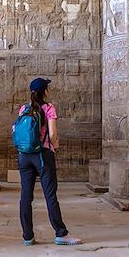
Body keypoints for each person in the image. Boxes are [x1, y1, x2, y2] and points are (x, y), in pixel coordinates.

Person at [16, 78, 82, 246]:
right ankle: (61, 234)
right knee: (50, 195)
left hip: (24, 156)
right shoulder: (49, 108)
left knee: (25, 197)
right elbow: (52, 134)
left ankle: (27, 236)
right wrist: (56, 145)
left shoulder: (24, 108)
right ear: (45, 91)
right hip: (43, 155)